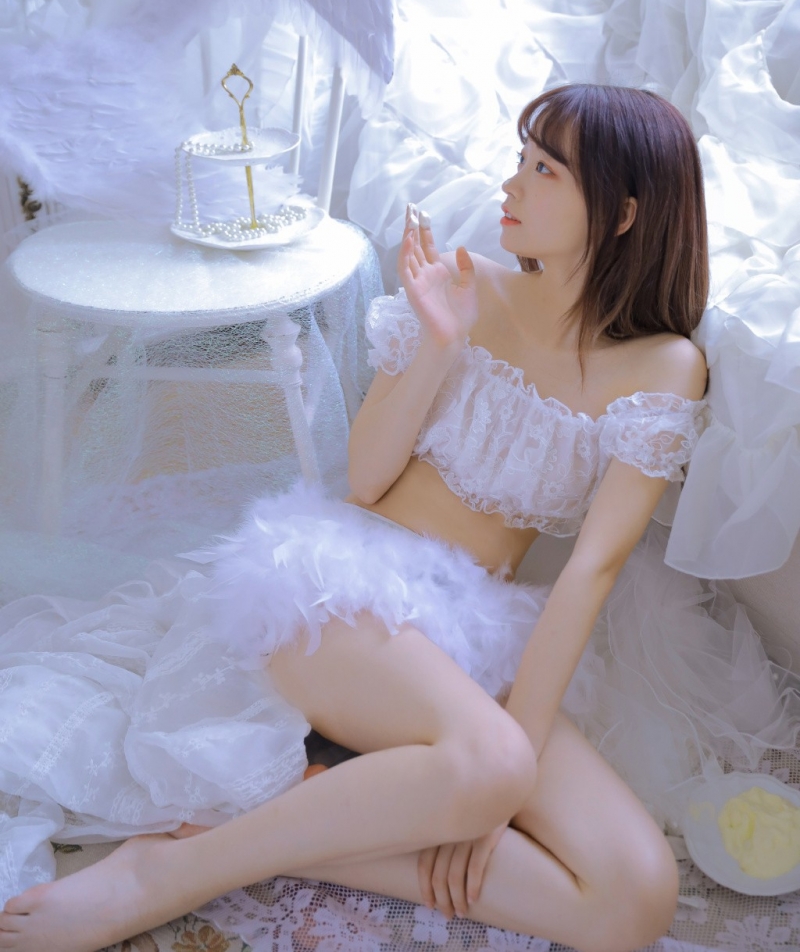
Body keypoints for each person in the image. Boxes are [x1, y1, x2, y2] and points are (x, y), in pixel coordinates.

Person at [0, 83, 712, 952]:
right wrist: (439, 342)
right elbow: (367, 482)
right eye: (520, 160)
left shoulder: (664, 368)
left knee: (635, 896)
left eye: (544, 170)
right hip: (340, 587)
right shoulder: (469, 289)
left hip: (478, 639)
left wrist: (494, 795)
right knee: (492, 762)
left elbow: (589, 573)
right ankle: (167, 874)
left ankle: (302, 818)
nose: (511, 185)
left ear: (625, 212)